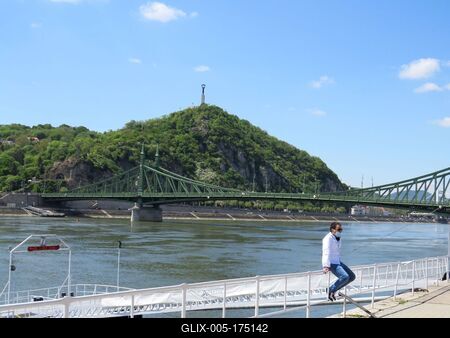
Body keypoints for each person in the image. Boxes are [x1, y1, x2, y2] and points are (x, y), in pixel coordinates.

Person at [322, 222, 355, 301]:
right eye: (339, 229)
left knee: (352, 277)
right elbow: (326, 252)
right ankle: (330, 290)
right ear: (333, 230)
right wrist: (326, 266)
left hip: (338, 261)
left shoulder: (337, 238)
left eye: (341, 229)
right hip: (331, 262)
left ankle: (334, 290)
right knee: (345, 277)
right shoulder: (327, 238)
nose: (340, 231)